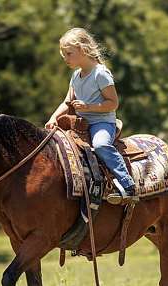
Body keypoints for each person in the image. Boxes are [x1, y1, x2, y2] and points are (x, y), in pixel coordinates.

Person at [46, 28, 138, 203]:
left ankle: (128, 186)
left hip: (101, 123)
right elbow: (67, 101)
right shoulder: (76, 76)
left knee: (101, 145)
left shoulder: (100, 74)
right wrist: (53, 118)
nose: (65, 59)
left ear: (82, 50)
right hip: (80, 123)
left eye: (68, 54)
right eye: (63, 55)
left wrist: (88, 107)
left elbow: (113, 103)